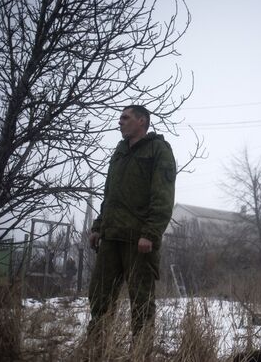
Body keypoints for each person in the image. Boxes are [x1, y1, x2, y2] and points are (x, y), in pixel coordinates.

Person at [87, 105, 176, 351]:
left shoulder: (158, 150)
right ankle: (95, 351)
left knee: (141, 302)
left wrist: (150, 233)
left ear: (142, 121)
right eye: (120, 118)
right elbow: (110, 195)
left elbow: (163, 196)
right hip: (111, 236)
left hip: (139, 242)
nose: (120, 122)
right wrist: (98, 226)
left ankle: (140, 354)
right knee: (99, 298)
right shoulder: (120, 151)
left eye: (125, 118)